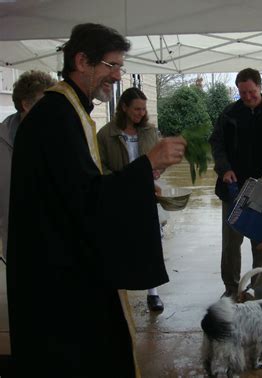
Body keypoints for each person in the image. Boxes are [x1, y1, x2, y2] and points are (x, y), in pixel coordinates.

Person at [7, 23, 186, 377]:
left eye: (119, 66)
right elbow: (86, 199)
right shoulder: (56, 117)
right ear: (82, 61)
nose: (117, 75)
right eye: (112, 65)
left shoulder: (69, 111)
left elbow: (83, 189)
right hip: (60, 283)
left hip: (63, 269)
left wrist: (140, 180)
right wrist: (147, 164)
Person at [209, 67, 262, 299]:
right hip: (233, 189)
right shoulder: (229, 114)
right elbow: (217, 145)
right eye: (242, 93)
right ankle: (231, 289)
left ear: (260, 87)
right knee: (230, 244)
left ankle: (258, 290)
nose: (247, 97)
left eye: (251, 92)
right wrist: (224, 169)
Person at [97, 87, 166, 312]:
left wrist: (157, 171)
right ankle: (118, 293)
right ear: (124, 107)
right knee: (119, 244)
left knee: (149, 244)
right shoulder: (105, 134)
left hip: (145, 195)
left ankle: (153, 293)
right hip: (118, 195)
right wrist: (118, 180)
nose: (140, 113)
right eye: (136, 109)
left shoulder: (149, 131)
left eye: (143, 109)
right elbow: (99, 166)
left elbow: (160, 160)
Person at [0, 70, 56, 259]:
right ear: (25, 104)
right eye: (44, 104)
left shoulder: (57, 139)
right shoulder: (3, 141)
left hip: (52, 243)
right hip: (15, 245)